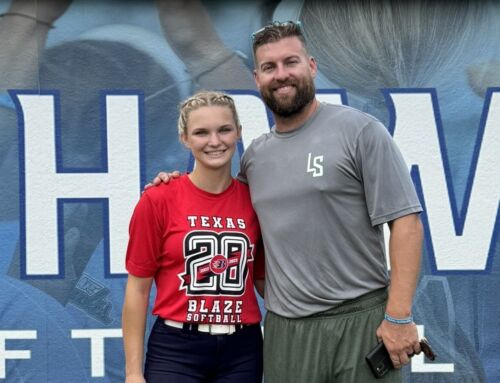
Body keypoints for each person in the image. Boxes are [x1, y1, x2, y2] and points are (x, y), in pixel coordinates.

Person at [150, 21, 424, 382]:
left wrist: (399, 316)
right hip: (287, 330)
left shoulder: (360, 131)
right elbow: (220, 208)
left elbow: (406, 224)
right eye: (269, 67)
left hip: (360, 320)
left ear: (311, 66)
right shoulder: (255, 158)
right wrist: (171, 185)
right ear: (257, 78)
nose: (281, 75)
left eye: (290, 62)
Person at [122, 91, 265, 383]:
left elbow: (265, 282)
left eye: (224, 129)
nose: (215, 141)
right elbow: (138, 290)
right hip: (176, 349)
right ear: (184, 138)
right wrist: (133, 373)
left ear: (238, 132)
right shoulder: (159, 199)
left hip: (242, 350)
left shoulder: (256, 200)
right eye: (201, 132)